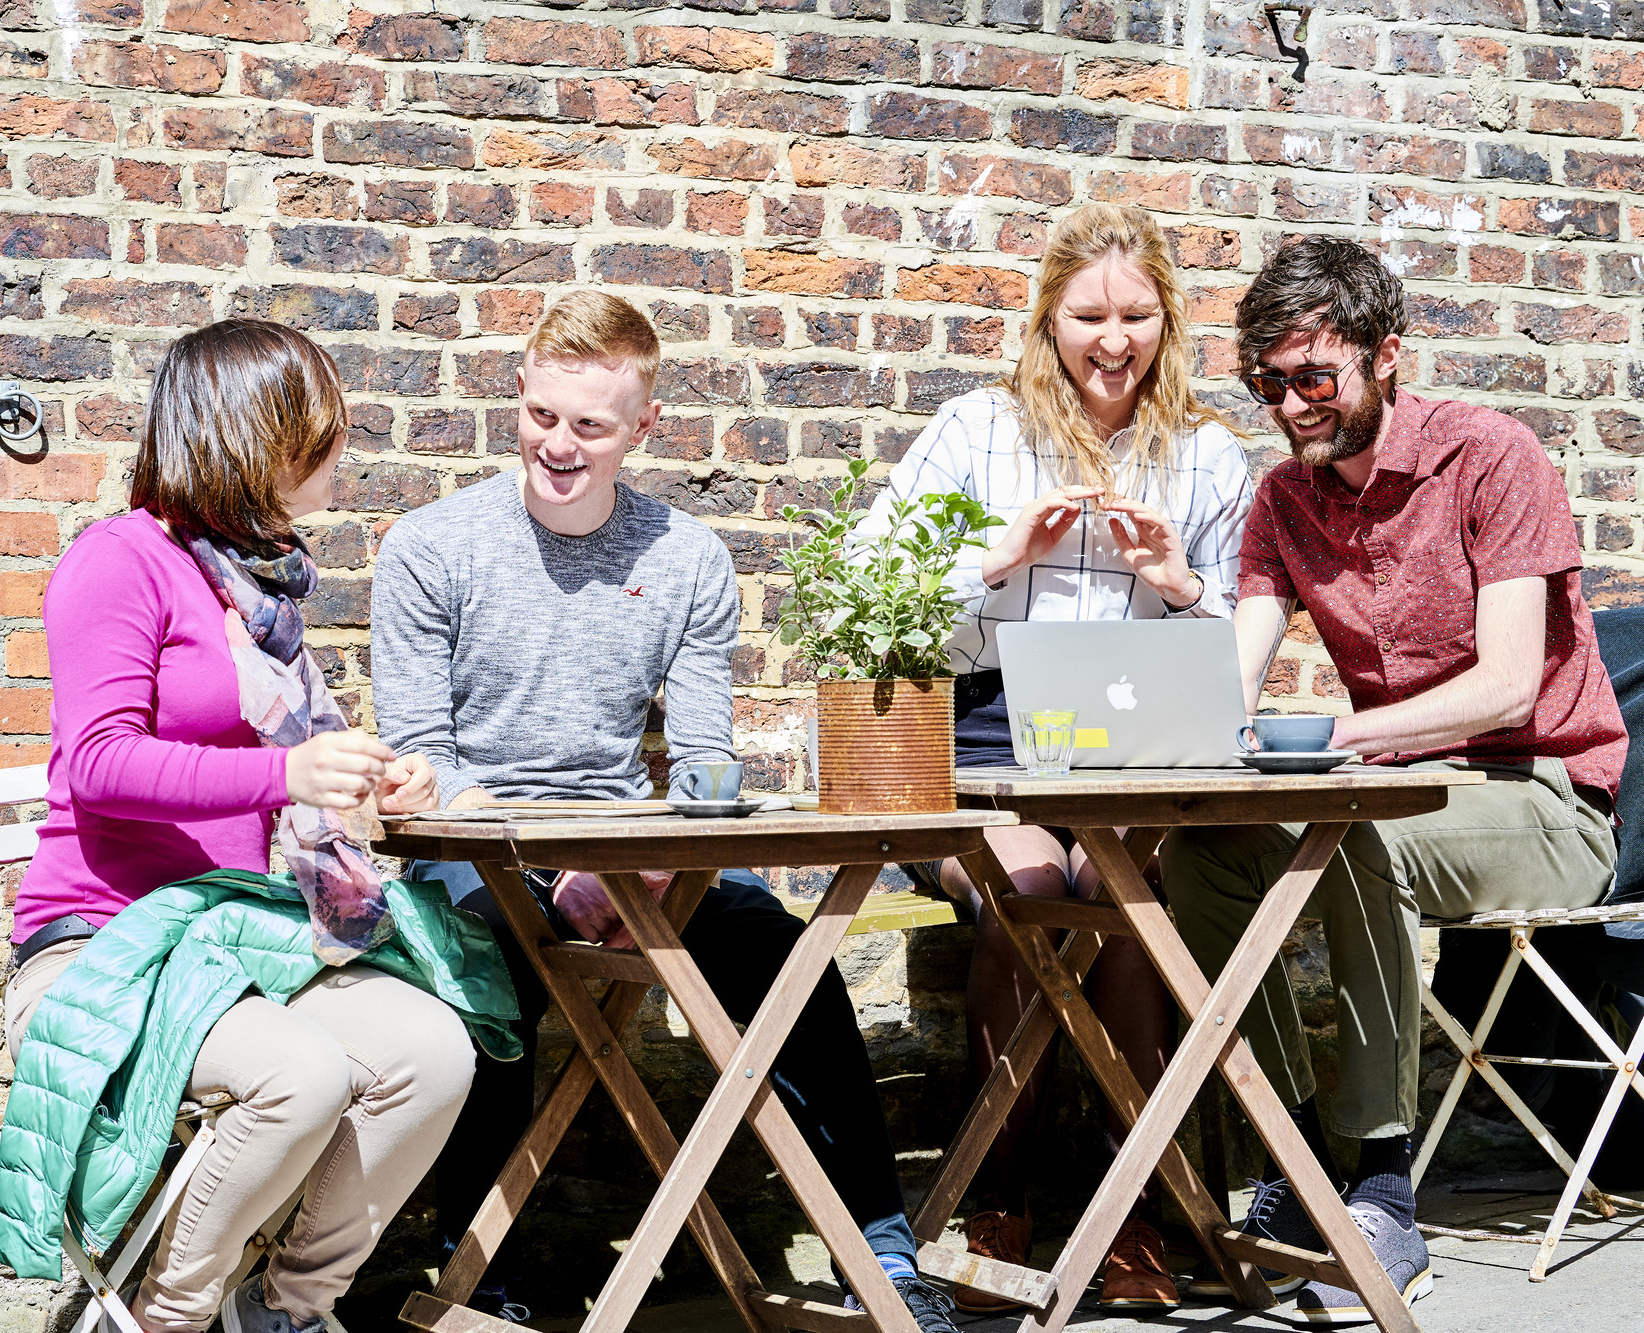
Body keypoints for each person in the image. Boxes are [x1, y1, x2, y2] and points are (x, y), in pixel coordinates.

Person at [368, 291, 961, 1333]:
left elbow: (701, 759)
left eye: (590, 426)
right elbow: (422, 764)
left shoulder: (686, 558)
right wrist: (555, 863)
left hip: (632, 854)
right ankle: (480, 1284)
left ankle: (884, 1256)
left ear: (642, 427)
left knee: (786, 959)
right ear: (519, 392)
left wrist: (672, 836)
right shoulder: (431, 546)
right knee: (482, 972)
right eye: (541, 416)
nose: (558, 445)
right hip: (475, 849)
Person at [1161, 237, 1624, 1324]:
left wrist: (1338, 738)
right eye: (1266, 382)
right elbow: (1238, 667)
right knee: (1207, 855)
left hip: (1544, 797)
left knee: (1355, 836)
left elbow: (1507, 688)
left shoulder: (1491, 457)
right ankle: (1283, 1164)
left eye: (1312, 377)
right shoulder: (1282, 500)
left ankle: (1377, 1183)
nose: (1288, 405)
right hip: (1395, 789)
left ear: (1386, 358)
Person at [0, 320, 476, 1333]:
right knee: (297, 1076)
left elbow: (297, 753)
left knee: (434, 1050)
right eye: (323, 432)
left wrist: (378, 776)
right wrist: (282, 770)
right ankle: (170, 1314)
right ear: (257, 436)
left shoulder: (251, 586)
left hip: (229, 939)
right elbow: (98, 762)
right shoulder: (115, 563)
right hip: (98, 943)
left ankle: (290, 1310)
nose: (341, 456)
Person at [858, 203, 1253, 1312]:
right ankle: (997, 1200)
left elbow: (1234, 672)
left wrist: (1177, 585)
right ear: (1047, 319)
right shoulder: (975, 430)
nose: (1112, 340)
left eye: (1136, 315)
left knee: (1119, 893)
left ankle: (1134, 1216)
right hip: (984, 746)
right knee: (1029, 886)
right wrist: (997, 560)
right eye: (1088, 315)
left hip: (1137, 747)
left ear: (1168, 322)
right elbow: (875, 606)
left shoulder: (1208, 454)